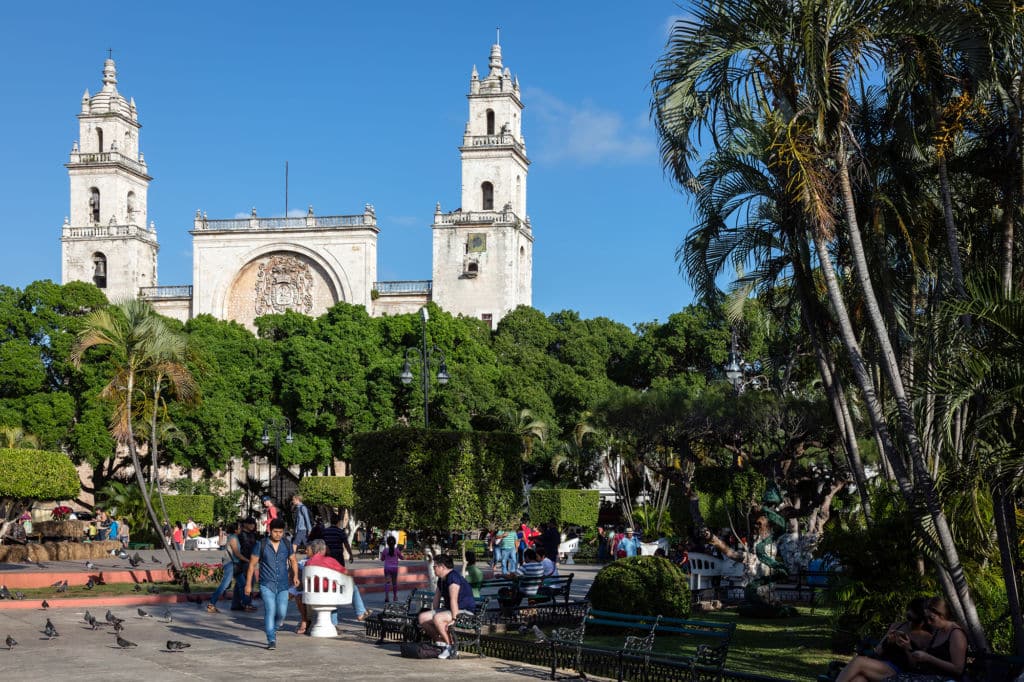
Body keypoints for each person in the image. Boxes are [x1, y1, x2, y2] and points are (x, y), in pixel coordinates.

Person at [836, 597, 957, 682]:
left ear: (922, 619)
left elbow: (915, 667)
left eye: (914, 620)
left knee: (858, 661)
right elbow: (878, 652)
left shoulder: (925, 637)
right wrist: (887, 642)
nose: (910, 623)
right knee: (859, 680)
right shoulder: (897, 626)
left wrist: (907, 648)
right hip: (880, 664)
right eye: (908, 616)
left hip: (898, 671)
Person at [294, 538, 372, 634]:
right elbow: (345, 573)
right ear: (322, 550)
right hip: (330, 593)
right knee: (351, 586)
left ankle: (334, 624)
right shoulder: (330, 560)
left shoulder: (308, 563)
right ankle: (360, 613)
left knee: (332, 592)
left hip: (313, 594)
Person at [245, 518, 299, 650]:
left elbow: (293, 560)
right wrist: (248, 585)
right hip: (266, 584)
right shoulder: (261, 544)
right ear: (270, 531)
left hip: (283, 584)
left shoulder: (286, 544)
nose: (278, 534)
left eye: (280, 532)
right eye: (275, 532)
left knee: (282, 613)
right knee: (270, 610)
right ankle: (271, 639)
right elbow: (252, 565)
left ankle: (273, 629)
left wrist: (295, 576)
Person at [417, 554, 475, 660]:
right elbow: (436, 598)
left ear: (442, 567)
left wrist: (454, 619)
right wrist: (434, 611)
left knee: (438, 618)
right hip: (450, 610)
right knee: (423, 618)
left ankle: (451, 647)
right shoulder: (441, 579)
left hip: (464, 611)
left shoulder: (453, 577)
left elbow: (453, 599)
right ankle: (442, 643)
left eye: (435, 566)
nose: (433, 568)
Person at [208, 520, 244, 614]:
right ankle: (211, 603)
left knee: (243, 583)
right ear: (235, 530)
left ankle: (245, 603)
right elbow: (236, 553)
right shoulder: (233, 538)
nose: (241, 529)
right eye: (239, 527)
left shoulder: (232, 537)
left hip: (234, 564)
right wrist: (248, 560)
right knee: (224, 585)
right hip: (231, 564)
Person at [232, 517, 258, 612]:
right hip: (244, 561)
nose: (252, 525)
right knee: (249, 582)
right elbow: (244, 548)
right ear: (245, 524)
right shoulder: (241, 535)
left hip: (249, 560)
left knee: (240, 583)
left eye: (253, 524)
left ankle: (236, 603)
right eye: (250, 523)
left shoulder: (252, 534)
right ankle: (247, 603)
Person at [379, 534, 404, 603]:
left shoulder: (385, 550)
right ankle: (395, 597)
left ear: (387, 542)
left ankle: (387, 597)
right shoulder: (397, 550)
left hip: (387, 568)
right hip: (395, 568)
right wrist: (401, 554)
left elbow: (382, 559)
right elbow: (402, 558)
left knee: (387, 582)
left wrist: (383, 556)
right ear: (395, 542)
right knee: (394, 583)